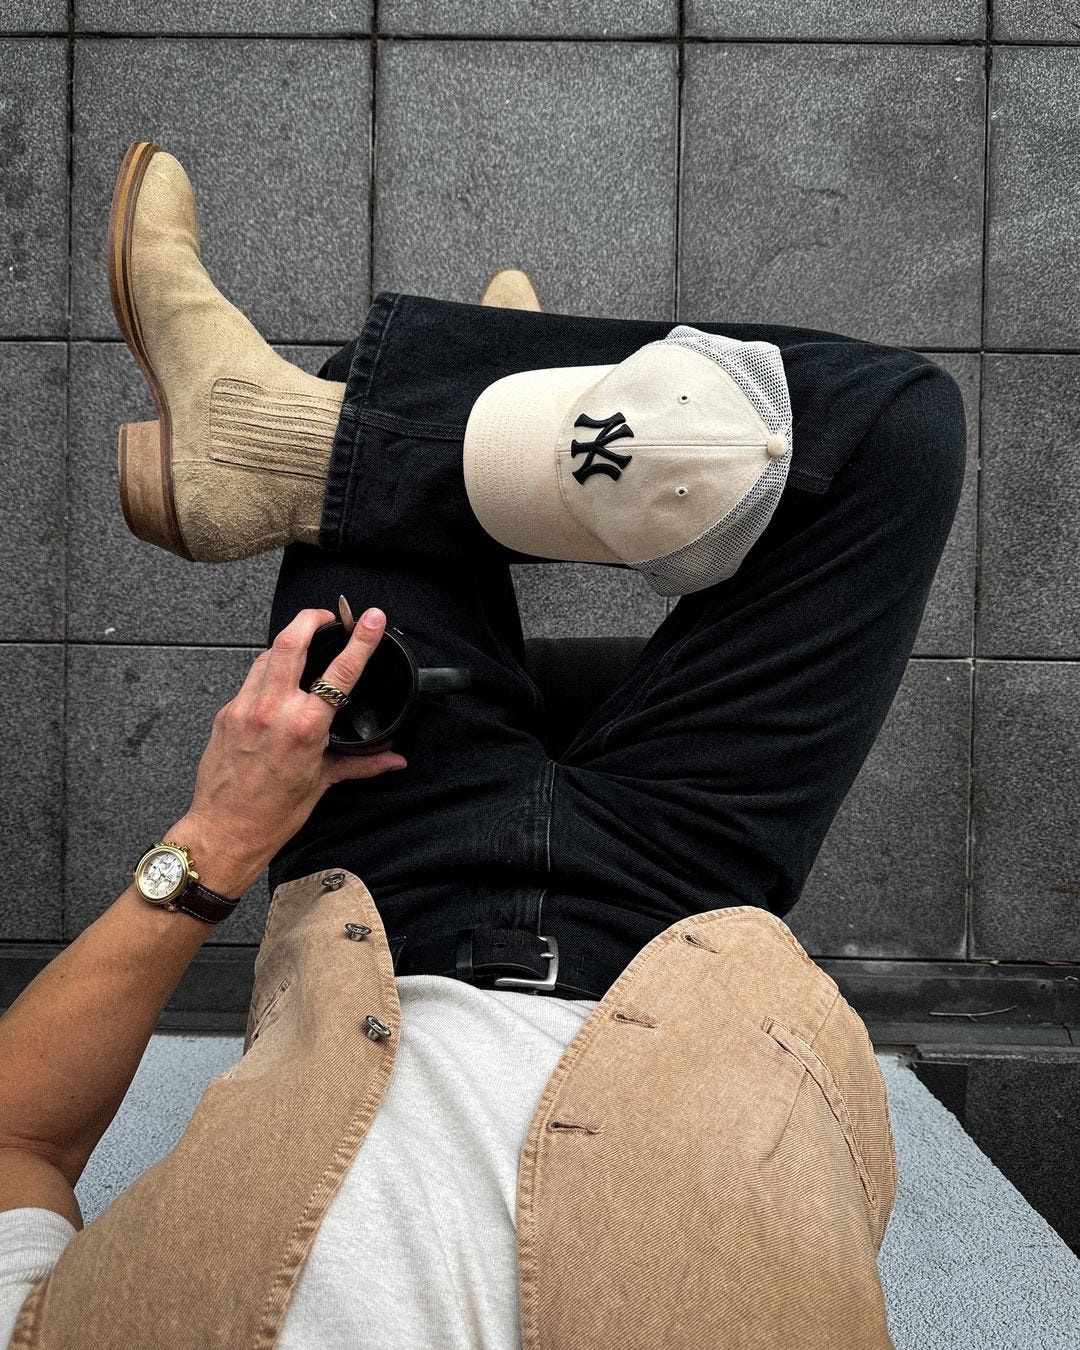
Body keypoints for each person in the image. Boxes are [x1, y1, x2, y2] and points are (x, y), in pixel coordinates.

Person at [0, 143, 967, 1349]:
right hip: (685, 914)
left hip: (389, 873)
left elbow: (13, 1142)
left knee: (382, 430)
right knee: (890, 436)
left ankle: (400, 449)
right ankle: (448, 444)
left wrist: (217, 836)